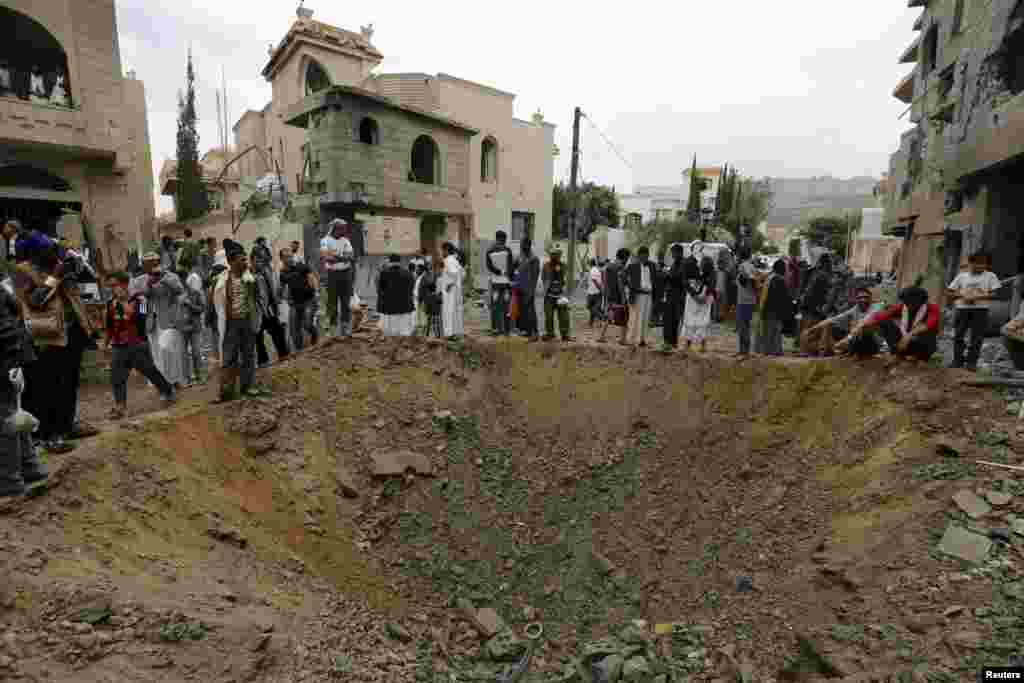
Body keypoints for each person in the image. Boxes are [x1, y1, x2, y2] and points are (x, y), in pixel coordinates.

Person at [16, 238, 100, 454]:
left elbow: (90, 281)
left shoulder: (62, 264)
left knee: (70, 383)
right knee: (51, 388)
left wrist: (79, 265)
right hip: (48, 337)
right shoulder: (23, 271)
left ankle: (68, 425)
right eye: (51, 250)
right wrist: (55, 277)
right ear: (36, 254)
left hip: (73, 332)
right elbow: (34, 300)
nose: (56, 253)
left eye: (57, 250)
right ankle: (50, 435)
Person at [0, 266, 47, 497]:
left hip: (5, 362)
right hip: (11, 359)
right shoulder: (4, 289)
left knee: (5, 419)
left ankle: (9, 480)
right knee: (13, 415)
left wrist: (12, 364)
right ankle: (30, 467)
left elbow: (6, 329)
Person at [104, 272, 175, 419]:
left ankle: (167, 391)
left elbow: (140, 318)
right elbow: (109, 325)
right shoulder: (110, 303)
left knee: (149, 371)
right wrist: (106, 344)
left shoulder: (141, 300)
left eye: (114, 285)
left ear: (124, 284)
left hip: (137, 344)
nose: (112, 289)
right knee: (116, 376)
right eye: (110, 286)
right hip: (119, 345)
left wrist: (123, 302)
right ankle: (120, 407)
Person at [213, 239, 264, 402]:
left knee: (249, 355)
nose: (245, 262)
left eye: (245, 259)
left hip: (247, 322)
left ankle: (247, 387)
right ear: (232, 262)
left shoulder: (250, 280)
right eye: (242, 259)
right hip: (231, 324)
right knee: (229, 358)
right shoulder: (222, 281)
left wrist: (256, 318)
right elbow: (214, 302)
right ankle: (226, 392)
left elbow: (257, 300)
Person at [132, 252, 185, 387]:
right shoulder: (140, 280)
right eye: (146, 264)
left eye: (152, 263)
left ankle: (174, 379)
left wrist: (163, 279)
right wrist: (149, 285)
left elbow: (180, 290)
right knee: (156, 353)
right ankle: (162, 382)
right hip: (151, 321)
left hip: (169, 319)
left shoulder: (170, 276)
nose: (149, 266)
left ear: (157, 263)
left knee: (167, 348)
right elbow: (139, 300)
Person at [852, 285, 941, 362]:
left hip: (922, 344)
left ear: (920, 301)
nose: (908, 305)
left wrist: (908, 336)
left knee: (930, 332)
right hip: (904, 343)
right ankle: (898, 352)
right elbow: (881, 316)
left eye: (911, 302)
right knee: (885, 322)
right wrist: (862, 325)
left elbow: (929, 324)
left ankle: (919, 357)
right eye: (906, 302)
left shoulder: (932, 308)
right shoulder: (902, 306)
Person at [946, 252, 1002, 371]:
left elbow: (995, 293)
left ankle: (971, 362)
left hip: (980, 310)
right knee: (959, 335)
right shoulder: (962, 276)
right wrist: (962, 295)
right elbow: (950, 292)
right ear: (970, 263)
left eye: (983, 263)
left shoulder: (990, 276)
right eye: (977, 263)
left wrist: (977, 297)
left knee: (977, 337)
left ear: (987, 265)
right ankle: (957, 360)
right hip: (962, 309)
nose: (980, 266)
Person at [803, 287, 882, 357]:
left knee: (862, 326)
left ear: (870, 298)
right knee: (828, 324)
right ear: (856, 299)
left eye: (866, 297)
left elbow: (863, 323)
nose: (863, 300)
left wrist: (846, 339)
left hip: (871, 343)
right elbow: (835, 318)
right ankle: (824, 351)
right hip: (854, 339)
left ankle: (840, 349)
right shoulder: (856, 308)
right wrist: (812, 329)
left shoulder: (876, 307)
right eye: (860, 297)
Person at [320, 219, 356, 337]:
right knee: (332, 302)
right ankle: (333, 329)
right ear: (336, 228)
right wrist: (342, 257)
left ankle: (345, 328)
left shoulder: (346, 240)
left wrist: (335, 256)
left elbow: (351, 257)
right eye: (343, 228)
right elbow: (327, 258)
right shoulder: (325, 240)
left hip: (345, 274)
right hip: (332, 275)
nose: (345, 230)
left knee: (346, 302)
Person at [279, 248, 318, 351]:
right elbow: (282, 288)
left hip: (308, 301)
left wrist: (314, 292)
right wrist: (282, 299)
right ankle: (299, 351)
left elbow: (312, 280)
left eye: (290, 256)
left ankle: (315, 335)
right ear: (282, 259)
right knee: (294, 329)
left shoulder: (302, 266)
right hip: (295, 304)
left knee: (307, 324)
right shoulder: (283, 273)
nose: (289, 259)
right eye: (286, 257)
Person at [253, 260, 290, 368]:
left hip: (267, 311)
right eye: (257, 260)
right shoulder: (255, 277)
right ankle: (263, 361)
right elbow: (262, 296)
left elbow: (271, 294)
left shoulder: (267, 273)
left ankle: (283, 357)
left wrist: (274, 309)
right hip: (260, 312)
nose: (258, 263)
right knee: (259, 338)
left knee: (277, 334)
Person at [179, 254, 207, 385]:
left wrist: (190, 305)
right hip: (181, 327)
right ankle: (186, 378)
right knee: (183, 354)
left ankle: (199, 375)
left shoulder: (194, 293)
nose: (182, 281)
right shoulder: (174, 296)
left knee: (196, 352)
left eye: (183, 278)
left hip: (194, 326)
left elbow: (202, 308)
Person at [756, 260, 793, 356]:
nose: (786, 270)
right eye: (785, 268)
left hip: (767, 309)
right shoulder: (779, 280)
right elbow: (783, 298)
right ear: (781, 269)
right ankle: (772, 352)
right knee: (773, 332)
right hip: (773, 311)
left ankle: (771, 351)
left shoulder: (770, 278)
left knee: (770, 332)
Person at [798, 253, 834, 356]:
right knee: (810, 328)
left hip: (808, 305)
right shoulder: (822, 276)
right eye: (830, 263)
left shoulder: (816, 273)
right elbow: (818, 293)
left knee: (810, 328)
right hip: (812, 306)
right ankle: (805, 351)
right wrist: (819, 307)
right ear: (826, 263)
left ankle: (807, 350)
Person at [625, 245, 659, 348]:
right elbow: (623, 277)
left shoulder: (653, 266)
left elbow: (656, 279)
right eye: (642, 256)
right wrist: (632, 287)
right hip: (637, 295)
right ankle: (631, 339)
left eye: (646, 256)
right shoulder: (632, 266)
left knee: (645, 318)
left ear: (648, 256)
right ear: (639, 256)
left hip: (648, 295)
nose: (644, 258)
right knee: (634, 318)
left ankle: (642, 339)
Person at [377, 254, 416, 337]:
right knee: (404, 333)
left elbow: (381, 290)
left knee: (390, 334)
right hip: (405, 308)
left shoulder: (384, 273)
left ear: (390, 262)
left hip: (389, 308)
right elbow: (411, 289)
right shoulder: (409, 273)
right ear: (400, 262)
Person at [682, 256, 715, 353]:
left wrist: (704, 297)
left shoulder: (711, 274)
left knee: (703, 321)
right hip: (695, 299)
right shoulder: (694, 272)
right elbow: (687, 283)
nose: (702, 265)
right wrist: (696, 296)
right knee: (692, 320)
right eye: (702, 263)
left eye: (704, 263)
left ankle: (702, 345)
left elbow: (711, 286)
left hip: (703, 299)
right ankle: (690, 344)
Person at [598, 248, 630, 345]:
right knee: (625, 317)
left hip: (610, 295)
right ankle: (622, 339)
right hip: (618, 296)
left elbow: (604, 282)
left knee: (608, 315)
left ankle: (602, 336)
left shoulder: (608, 266)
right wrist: (624, 298)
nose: (627, 260)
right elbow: (621, 284)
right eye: (627, 258)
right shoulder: (621, 267)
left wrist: (605, 294)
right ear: (624, 257)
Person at [486, 230, 514, 336]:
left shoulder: (489, 250)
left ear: (496, 238)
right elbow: (511, 266)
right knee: (506, 305)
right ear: (504, 239)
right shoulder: (507, 250)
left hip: (495, 283)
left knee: (495, 305)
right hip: (506, 283)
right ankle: (506, 330)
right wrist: (508, 275)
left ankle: (495, 329)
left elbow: (489, 266)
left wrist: (498, 272)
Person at [541, 248, 573, 342]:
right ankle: (550, 334)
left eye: (557, 255)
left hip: (560, 295)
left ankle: (565, 334)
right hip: (549, 295)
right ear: (550, 256)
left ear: (560, 255)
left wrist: (565, 292)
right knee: (549, 316)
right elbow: (543, 278)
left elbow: (566, 279)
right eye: (553, 255)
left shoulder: (563, 266)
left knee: (564, 317)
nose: (555, 256)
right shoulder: (546, 266)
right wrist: (547, 287)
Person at [659, 244, 686, 351]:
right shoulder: (675, 263)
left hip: (677, 295)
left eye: (673, 253)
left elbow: (678, 277)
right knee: (669, 320)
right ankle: (670, 343)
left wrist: (667, 274)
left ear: (679, 252)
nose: (672, 255)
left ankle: (670, 343)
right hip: (671, 294)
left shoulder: (683, 263)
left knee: (672, 320)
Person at [516, 238, 541, 342]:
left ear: (527, 245)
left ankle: (534, 332)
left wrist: (531, 292)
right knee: (523, 311)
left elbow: (535, 277)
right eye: (521, 244)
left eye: (522, 245)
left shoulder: (534, 259)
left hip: (529, 290)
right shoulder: (520, 256)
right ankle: (526, 331)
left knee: (530, 311)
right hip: (520, 288)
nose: (521, 246)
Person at [439, 241, 465, 340]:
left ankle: (449, 333)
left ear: (446, 250)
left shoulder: (448, 260)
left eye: (442, 250)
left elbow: (454, 273)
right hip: (456, 290)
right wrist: (456, 283)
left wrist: (451, 283)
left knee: (448, 311)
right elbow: (462, 274)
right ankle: (456, 332)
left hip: (450, 290)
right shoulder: (455, 260)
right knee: (455, 311)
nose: (442, 253)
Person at [735, 247, 757, 358]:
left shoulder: (744, 266)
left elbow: (751, 280)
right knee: (744, 325)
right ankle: (742, 350)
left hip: (745, 300)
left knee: (743, 326)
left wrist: (744, 279)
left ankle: (745, 351)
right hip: (747, 300)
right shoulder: (749, 266)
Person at [419, 260, 443, 337]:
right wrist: (421, 299)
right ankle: (428, 333)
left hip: (434, 298)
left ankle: (437, 334)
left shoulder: (434, 275)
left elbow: (438, 285)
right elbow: (421, 289)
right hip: (428, 299)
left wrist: (439, 295)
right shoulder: (424, 277)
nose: (429, 267)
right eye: (428, 265)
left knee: (435, 317)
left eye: (430, 265)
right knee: (429, 317)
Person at [586, 258, 604, 327]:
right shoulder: (597, 270)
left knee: (590, 307)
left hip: (593, 292)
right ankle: (591, 322)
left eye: (588, 263)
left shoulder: (592, 271)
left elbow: (594, 281)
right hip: (596, 291)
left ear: (590, 264)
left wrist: (600, 288)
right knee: (594, 307)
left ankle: (602, 317)